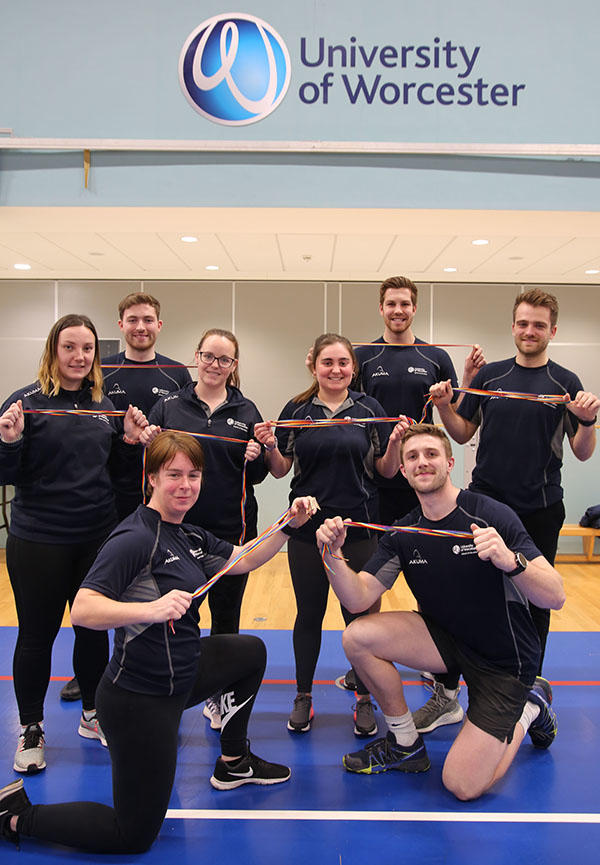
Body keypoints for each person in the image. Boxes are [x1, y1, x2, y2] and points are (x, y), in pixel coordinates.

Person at [0, 431, 317, 853]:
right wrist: (149, 610)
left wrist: (287, 524)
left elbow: (244, 560)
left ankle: (234, 761)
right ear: (150, 478)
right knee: (132, 835)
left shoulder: (187, 534)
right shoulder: (135, 538)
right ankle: (19, 816)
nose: (185, 485)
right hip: (141, 699)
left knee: (249, 652)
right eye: (173, 475)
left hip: (182, 673)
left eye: (193, 475)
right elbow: (84, 610)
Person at [316, 424, 565, 801]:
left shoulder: (490, 514)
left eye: (431, 454)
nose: (422, 462)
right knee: (357, 637)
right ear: (403, 471)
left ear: (449, 463)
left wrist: (510, 561)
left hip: (504, 661)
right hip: (446, 642)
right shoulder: (405, 531)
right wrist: (331, 556)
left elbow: (556, 595)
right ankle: (405, 745)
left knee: (462, 786)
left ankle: (529, 706)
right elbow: (358, 599)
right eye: (412, 457)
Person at [426, 288, 598, 719]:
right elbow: (462, 431)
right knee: (465, 595)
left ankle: (526, 695)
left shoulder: (566, 383)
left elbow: (581, 450)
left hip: (539, 509)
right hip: (483, 506)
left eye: (539, 325)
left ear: (552, 330)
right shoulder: (490, 377)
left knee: (536, 600)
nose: (530, 331)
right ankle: (447, 695)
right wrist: (445, 407)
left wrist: (590, 421)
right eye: (523, 323)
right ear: (514, 326)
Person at [0, 314, 148, 774]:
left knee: (92, 631)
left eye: (87, 348)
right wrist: (8, 442)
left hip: (95, 538)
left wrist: (128, 442)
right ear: (53, 350)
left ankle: (91, 713)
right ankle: (31, 728)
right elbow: (6, 475)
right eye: (70, 347)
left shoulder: (105, 405)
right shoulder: (24, 402)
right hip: (38, 539)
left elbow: (122, 478)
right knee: (36, 637)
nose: (80, 357)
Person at [339, 275, 484, 713]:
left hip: (424, 485)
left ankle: (436, 662)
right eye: (390, 304)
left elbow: (456, 416)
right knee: (374, 578)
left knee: (432, 577)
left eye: (405, 303)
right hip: (376, 482)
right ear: (381, 308)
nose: (398, 310)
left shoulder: (435, 356)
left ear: (414, 308)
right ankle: (368, 662)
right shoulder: (362, 356)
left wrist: (469, 379)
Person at [255, 333, 406, 737]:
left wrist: (393, 444)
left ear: (353, 367)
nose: (336, 370)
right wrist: (270, 446)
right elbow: (280, 469)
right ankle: (303, 695)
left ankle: (364, 698)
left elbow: (387, 471)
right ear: (314, 366)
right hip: (307, 532)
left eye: (343, 363)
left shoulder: (370, 409)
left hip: (358, 530)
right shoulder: (297, 409)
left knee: (360, 619)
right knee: (309, 615)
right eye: (328, 363)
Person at [59, 293, 192, 704]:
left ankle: (143, 662)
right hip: (110, 497)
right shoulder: (101, 371)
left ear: (159, 325)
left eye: (148, 319)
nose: (140, 326)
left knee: (150, 590)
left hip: (161, 497)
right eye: (132, 319)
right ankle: (93, 673)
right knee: (106, 586)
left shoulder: (175, 374)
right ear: (120, 325)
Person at [148, 328, 268, 730]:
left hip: (229, 532)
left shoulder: (247, 410)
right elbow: (151, 461)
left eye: (225, 359)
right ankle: (176, 692)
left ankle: (221, 698)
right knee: (180, 618)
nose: (215, 365)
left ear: (234, 366)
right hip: (177, 534)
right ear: (196, 357)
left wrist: (260, 453)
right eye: (209, 356)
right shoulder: (169, 406)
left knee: (226, 619)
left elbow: (260, 475)